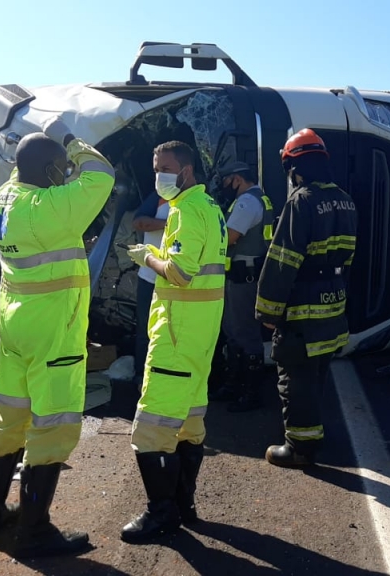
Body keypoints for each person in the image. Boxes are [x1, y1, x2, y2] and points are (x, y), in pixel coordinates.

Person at [0, 117, 115, 558]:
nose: (65, 174)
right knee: (52, 426)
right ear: (53, 169)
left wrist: (44, 149)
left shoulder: (4, 199)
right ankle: (35, 532)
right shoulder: (55, 209)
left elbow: (30, 172)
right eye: (60, 168)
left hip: (14, 325)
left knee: (9, 418)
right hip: (53, 330)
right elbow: (102, 173)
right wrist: (71, 140)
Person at [121, 140, 228, 542]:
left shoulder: (184, 210)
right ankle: (184, 504)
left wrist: (146, 257)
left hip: (177, 333)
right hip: (201, 334)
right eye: (155, 169)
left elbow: (181, 273)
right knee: (188, 423)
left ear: (186, 171)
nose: (158, 177)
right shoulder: (212, 208)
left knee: (151, 426)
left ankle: (161, 513)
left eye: (164, 168)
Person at [255, 128, 357, 468]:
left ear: (295, 167)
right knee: (315, 376)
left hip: (301, 309)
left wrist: (267, 310)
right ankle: (313, 434)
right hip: (332, 304)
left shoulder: (301, 201)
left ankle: (300, 448)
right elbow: (349, 257)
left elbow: (283, 260)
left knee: (294, 379)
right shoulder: (345, 199)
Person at [208, 160, 275, 412]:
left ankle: (250, 392)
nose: (224, 186)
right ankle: (234, 386)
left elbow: (229, 237)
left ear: (237, 179)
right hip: (242, 277)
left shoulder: (247, 203)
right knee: (233, 331)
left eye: (225, 181)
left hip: (243, 278)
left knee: (245, 333)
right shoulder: (259, 199)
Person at [131, 190, 170, 388]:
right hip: (149, 277)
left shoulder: (196, 203)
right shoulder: (159, 196)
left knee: (170, 332)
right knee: (145, 328)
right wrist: (169, 225)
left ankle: (163, 378)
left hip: (177, 279)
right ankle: (142, 377)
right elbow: (138, 221)